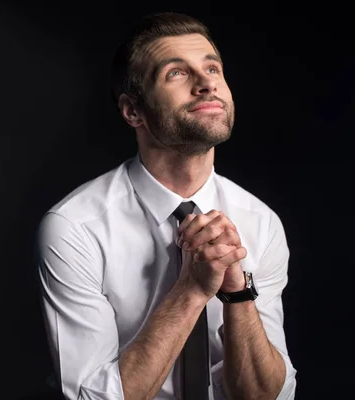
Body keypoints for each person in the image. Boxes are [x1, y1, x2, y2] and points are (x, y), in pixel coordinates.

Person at [35, 11, 297, 400]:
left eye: (213, 69)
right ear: (133, 111)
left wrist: (239, 294)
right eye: (177, 73)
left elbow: (268, 396)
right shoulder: (75, 227)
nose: (207, 83)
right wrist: (190, 291)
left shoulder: (260, 222)